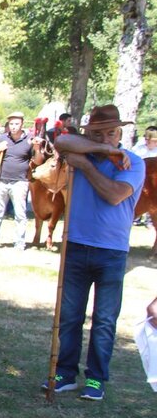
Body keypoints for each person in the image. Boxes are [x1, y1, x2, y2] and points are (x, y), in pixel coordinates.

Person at [43, 104, 145, 401]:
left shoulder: (134, 163)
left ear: (120, 133)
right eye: (98, 133)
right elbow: (61, 141)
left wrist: (87, 165)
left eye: (111, 133)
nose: (105, 139)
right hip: (75, 245)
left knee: (104, 319)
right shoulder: (86, 151)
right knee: (70, 315)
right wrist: (102, 152)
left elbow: (114, 195)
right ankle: (65, 373)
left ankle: (97, 379)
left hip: (112, 252)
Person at [0, 112, 44, 250]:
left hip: (20, 181)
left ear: (22, 124)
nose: (14, 127)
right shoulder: (2, 138)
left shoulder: (30, 140)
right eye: (11, 124)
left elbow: (38, 161)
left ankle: (19, 242)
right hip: (2, 179)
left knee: (20, 213)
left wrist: (36, 148)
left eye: (16, 124)